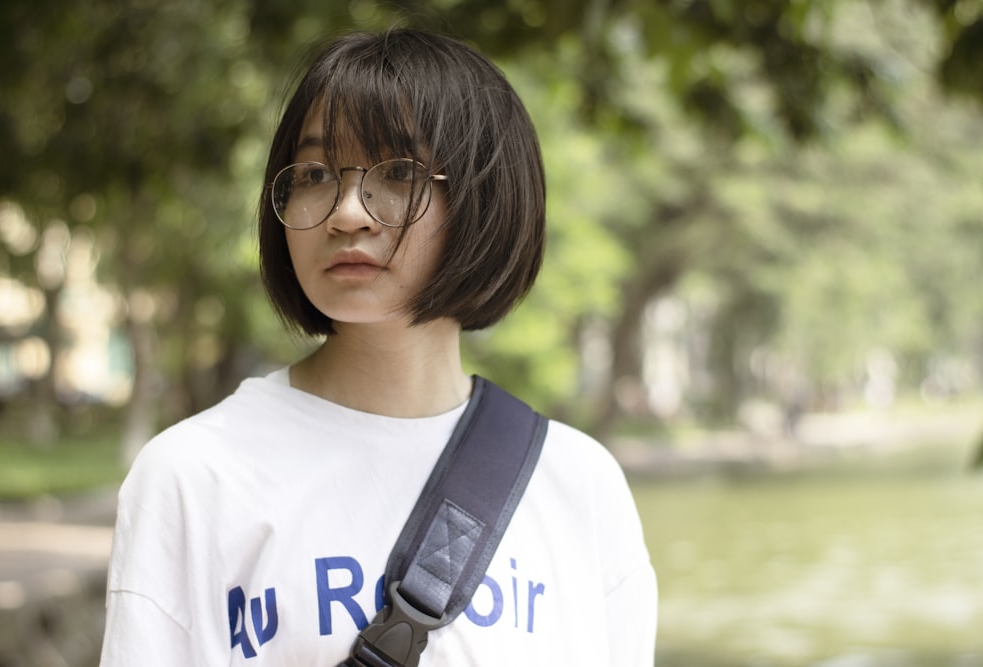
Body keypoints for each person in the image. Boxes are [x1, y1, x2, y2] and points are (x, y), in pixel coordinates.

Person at [99, 28, 657, 666]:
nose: (347, 212)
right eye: (313, 174)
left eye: (397, 173)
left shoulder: (580, 484)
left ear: (486, 196)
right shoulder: (194, 474)